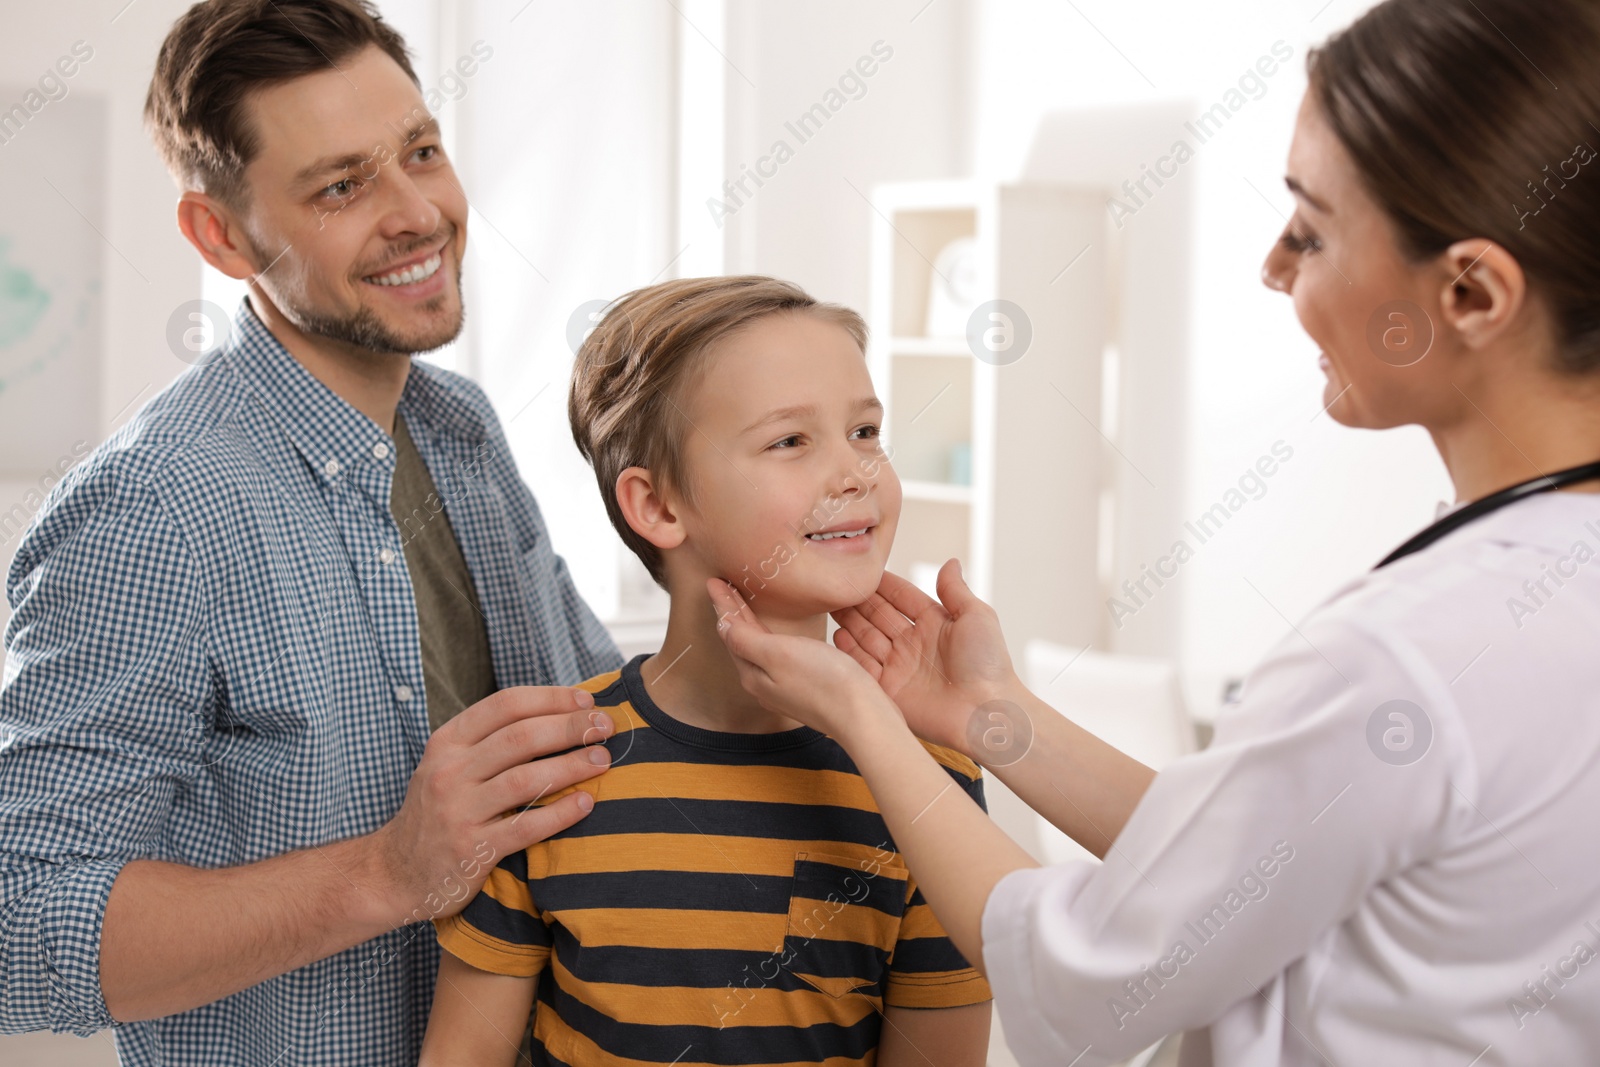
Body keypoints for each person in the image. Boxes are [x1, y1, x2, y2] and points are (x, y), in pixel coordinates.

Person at [706, 0, 1600, 1064]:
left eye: (1309, 230)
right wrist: (989, 714)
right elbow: (1243, 863)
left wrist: (870, 722)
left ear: (1469, 290)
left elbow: (1097, 975)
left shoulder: (1407, 650)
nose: (1273, 266)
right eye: (787, 440)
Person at [0, 2, 622, 1063]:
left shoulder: (460, 429)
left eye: (420, 151)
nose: (418, 211)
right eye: (341, 185)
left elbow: (590, 718)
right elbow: (19, 930)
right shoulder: (154, 509)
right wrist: (387, 869)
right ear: (222, 234)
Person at [422, 276, 993, 1067]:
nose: (857, 471)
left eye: (865, 431)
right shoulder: (544, 772)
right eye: (791, 441)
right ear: (656, 507)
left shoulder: (933, 783)